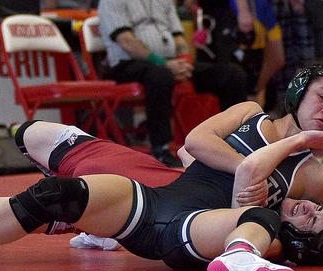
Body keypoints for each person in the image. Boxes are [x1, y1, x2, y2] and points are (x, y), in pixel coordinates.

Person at [0, 65, 323, 271]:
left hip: (199, 226)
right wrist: (284, 148)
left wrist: (285, 156)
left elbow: (261, 207)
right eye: (322, 97)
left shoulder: (312, 177)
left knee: (256, 214)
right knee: (60, 192)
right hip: (161, 198)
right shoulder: (251, 114)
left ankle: (238, 259)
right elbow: (193, 145)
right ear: (298, 93)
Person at [97, 0, 247, 166]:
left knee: (232, 74)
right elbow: (126, 41)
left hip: (169, 63)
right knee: (161, 75)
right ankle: (161, 148)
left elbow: (179, 38)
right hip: (126, 64)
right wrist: (163, 63)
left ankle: (236, 140)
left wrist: (184, 62)